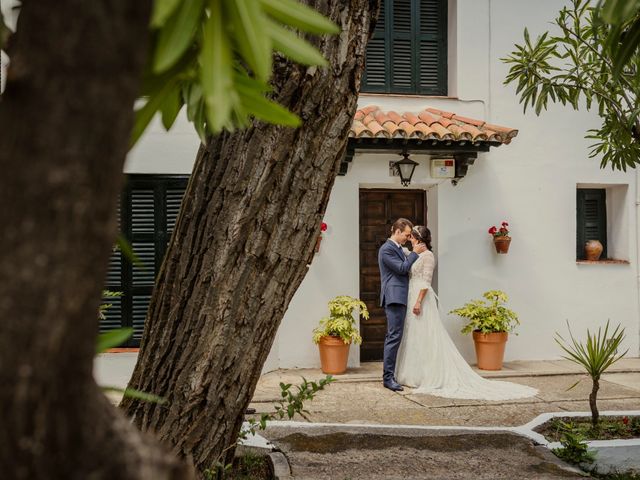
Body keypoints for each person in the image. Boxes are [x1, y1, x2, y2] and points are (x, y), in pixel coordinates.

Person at [395, 225, 538, 400]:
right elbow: (405, 258)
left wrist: (418, 301)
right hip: (411, 294)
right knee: (413, 334)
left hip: (421, 299)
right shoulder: (416, 254)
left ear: (418, 238)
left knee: (425, 334)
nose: (409, 239)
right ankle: (412, 373)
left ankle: (425, 374)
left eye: (412, 237)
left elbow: (426, 281)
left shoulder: (429, 256)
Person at [378, 218, 427, 392]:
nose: (408, 237)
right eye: (406, 234)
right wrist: (414, 252)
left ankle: (392, 374)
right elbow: (401, 268)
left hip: (401, 296)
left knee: (396, 336)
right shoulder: (386, 250)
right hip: (394, 297)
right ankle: (387, 378)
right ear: (397, 232)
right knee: (393, 336)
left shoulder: (399, 248)